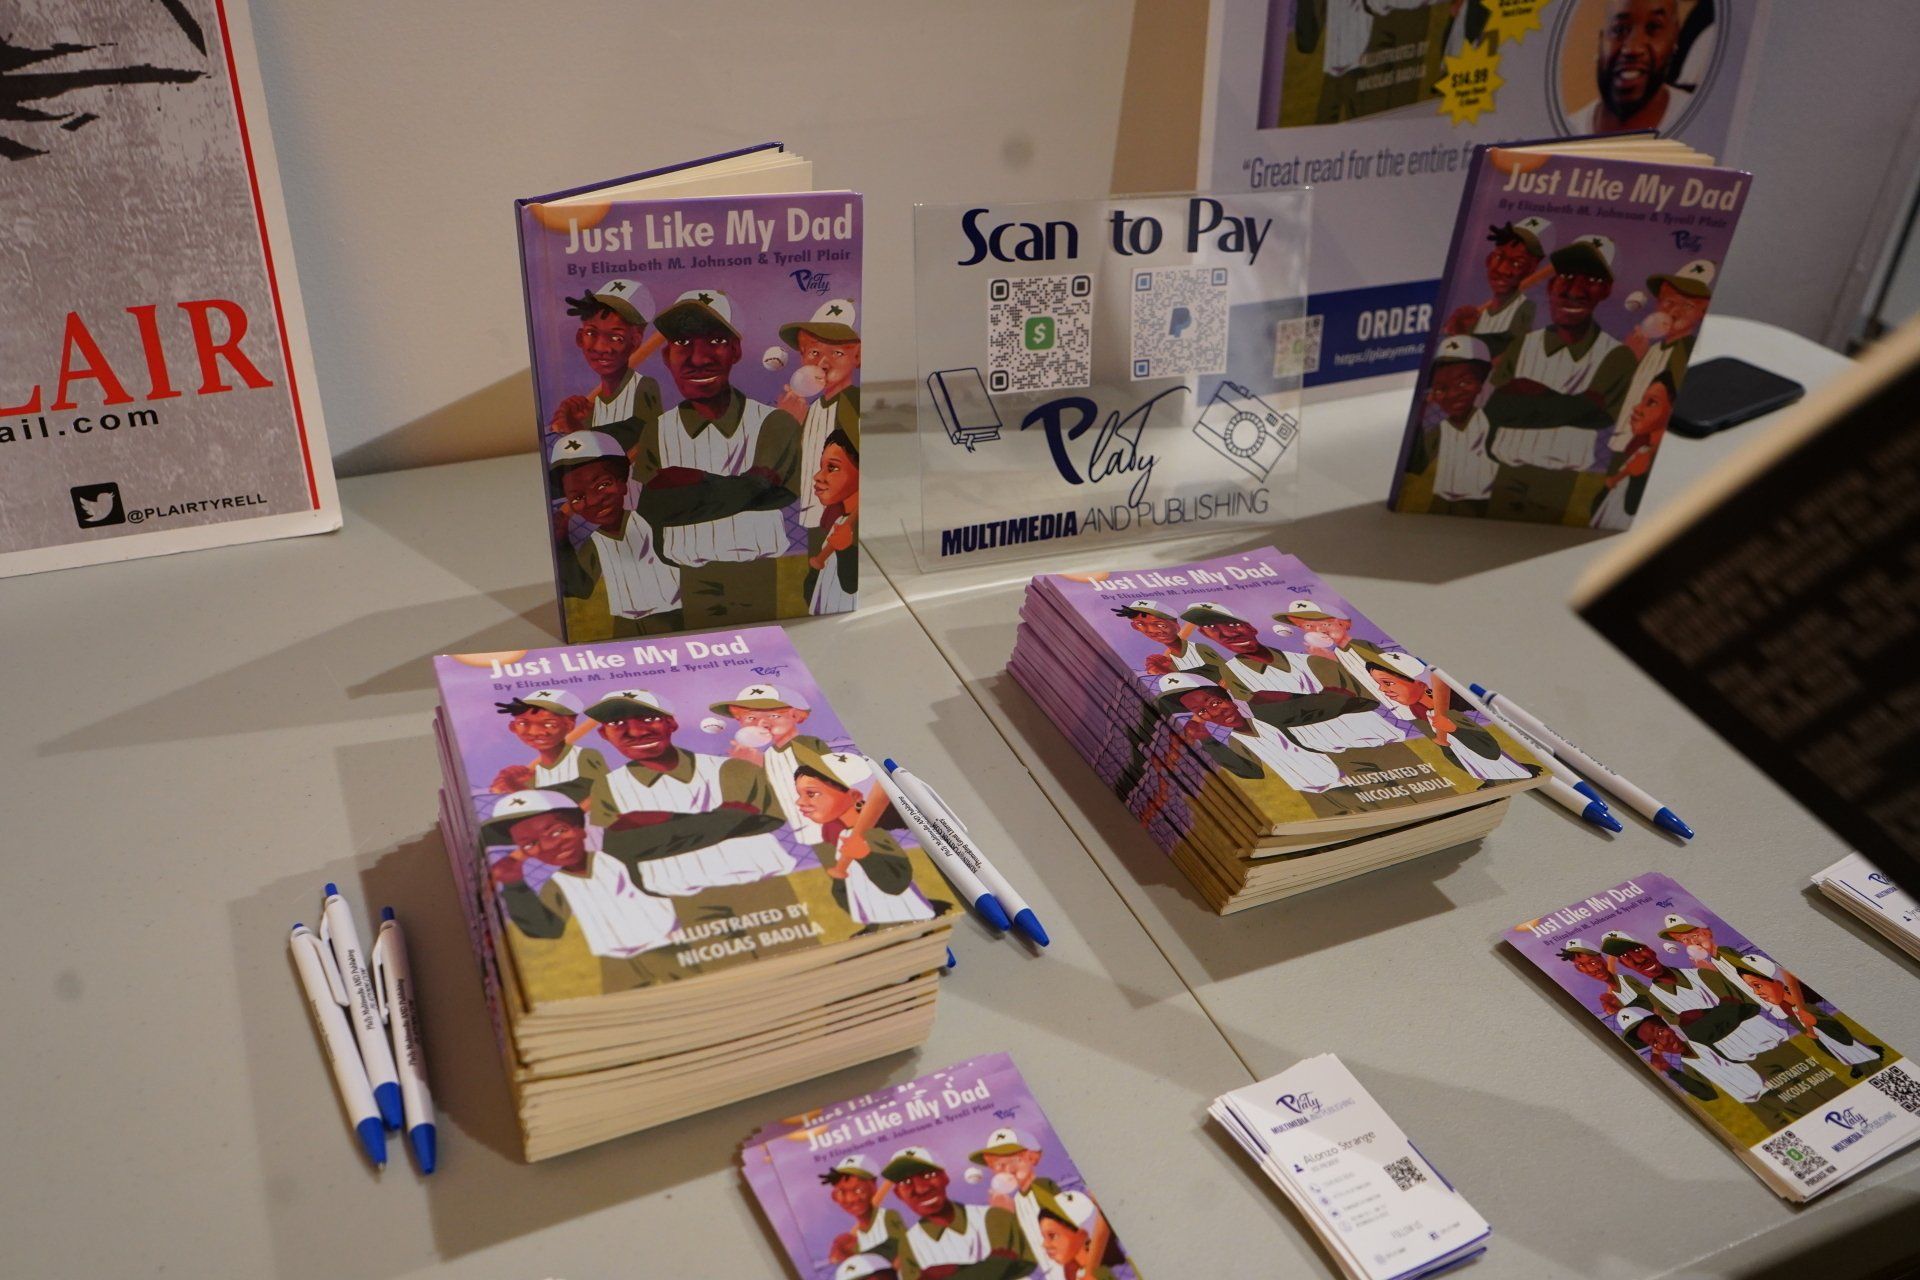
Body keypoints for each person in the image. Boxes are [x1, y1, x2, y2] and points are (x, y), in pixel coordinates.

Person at [635, 288, 803, 624]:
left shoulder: (773, 421)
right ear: (667, 355)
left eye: (715, 341)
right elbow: (650, 509)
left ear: (736, 351)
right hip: (687, 577)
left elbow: (778, 493)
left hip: (754, 572)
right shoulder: (659, 429)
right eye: (683, 344)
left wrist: (689, 487)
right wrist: (752, 485)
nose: (698, 358)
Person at [581, 687, 796, 897]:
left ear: (671, 724)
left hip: (764, 886)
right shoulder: (607, 786)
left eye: (648, 719)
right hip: (679, 900)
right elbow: (617, 847)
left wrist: (650, 828)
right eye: (616, 723)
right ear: (603, 733)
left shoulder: (731, 768)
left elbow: (767, 820)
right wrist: (727, 817)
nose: (636, 731)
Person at [1484, 234, 1637, 522]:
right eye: (1565, 276)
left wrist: (1529, 394)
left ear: (1605, 291)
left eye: (1590, 282)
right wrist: (1570, 406)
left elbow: (1596, 413)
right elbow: (1496, 408)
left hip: (1557, 477)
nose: (1575, 291)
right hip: (1504, 468)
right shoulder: (1525, 344)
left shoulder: (1616, 355)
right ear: (1551, 284)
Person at [481, 789, 682, 974]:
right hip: (615, 960)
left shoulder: (616, 855)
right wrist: (515, 885)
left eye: (558, 831)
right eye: (530, 844)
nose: (550, 845)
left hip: (669, 943)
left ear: (581, 829)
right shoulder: (557, 883)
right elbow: (548, 929)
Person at [548, 431, 684, 638]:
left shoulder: (651, 520)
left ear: (622, 482)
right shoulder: (596, 540)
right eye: (578, 497)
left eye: (603, 485)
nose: (593, 501)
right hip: (625, 624)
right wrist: (562, 541)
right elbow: (580, 588)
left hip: (673, 617)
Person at [791, 750, 941, 928]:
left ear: (854, 796)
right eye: (800, 794)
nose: (799, 802)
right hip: (876, 919)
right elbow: (849, 883)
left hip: (907, 917)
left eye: (811, 793)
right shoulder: (845, 835)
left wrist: (865, 855)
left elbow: (897, 882)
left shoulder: (873, 835)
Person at [1600, 930, 1792, 1062]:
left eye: (1637, 949)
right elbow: (1697, 1036)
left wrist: (1704, 1019)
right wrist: (1726, 1011)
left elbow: (1748, 1006)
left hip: (1782, 1045)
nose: (1638, 959)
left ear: (1650, 949)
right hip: (1743, 1062)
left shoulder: (1703, 974)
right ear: (1625, 966)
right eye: (1626, 958)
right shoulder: (1654, 1000)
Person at [1154, 671, 1351, 794]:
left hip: (1348, 778)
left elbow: (1309, 711)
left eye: (1215, 702)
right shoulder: (1235, 740)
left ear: (1228, 697)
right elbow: (1250, 772)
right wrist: (1207, 740)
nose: (1215, 713)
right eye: (1202, 712)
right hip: (1315, 796)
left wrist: (1337, 701)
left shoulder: (1263, 707)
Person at [1363, 651, 1535, 785]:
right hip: (1486, 774)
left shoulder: (1455, 714)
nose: (1383, 690)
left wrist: (1455, 730)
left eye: (1388, 682)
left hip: (1509, 772)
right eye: (1379, 684)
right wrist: (1444, 741)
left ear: (1418, 682)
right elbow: (1455, 756)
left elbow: (1491, 750)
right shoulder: (1423, 716)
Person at [707, 682, 834, 844]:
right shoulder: (770, 755)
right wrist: (757, 767)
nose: (762, 723)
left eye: (774, 715)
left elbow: (825, 783)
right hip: (806, 835)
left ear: (795, 715)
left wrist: (759, 764)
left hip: (835, 827)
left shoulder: (806, 744)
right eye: (751, 718)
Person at [882, 1146, 1034, 1280]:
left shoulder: (994, 1217)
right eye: (906, 1183)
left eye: (928, 1175)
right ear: (898, 1194)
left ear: (945, 1178)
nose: (921, 1188)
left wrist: (947, 1272)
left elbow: (1015, 1264)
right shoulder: (909, 1244)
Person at [547, 278, 662, 453]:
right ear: (580, 337)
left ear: (636, 342)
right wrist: (563, 427)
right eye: (591, 333)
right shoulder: (591, 406)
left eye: (616, 338)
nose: (601, 348)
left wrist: (577, 430)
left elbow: (626, 443)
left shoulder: (644, 388)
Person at [1730, 952, 1886, 1079]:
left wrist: (1808, 1015)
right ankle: (1857, 1061)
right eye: (1753, 988)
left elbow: (1837, 1031)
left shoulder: (1796, 995)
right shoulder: (1782, 1006)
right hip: (1798, 1014)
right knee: (1824, 1044)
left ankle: (1868, 1057)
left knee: (1838, 1039)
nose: (1757, 992)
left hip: (1808, 1013)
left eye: (1757, 986)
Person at [777, 298, 862, 531]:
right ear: (802, 357)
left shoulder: (852, 403)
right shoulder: (814, 408)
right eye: (814, 352)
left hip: (844, 521)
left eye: (837, 353)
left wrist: (851, 522)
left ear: (857, 356)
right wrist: (791, 424)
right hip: (817, 518)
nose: (823, 363)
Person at [1567, 0, 1694, 134]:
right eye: (1619, 29)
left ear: (1674, 37)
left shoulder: (1701, 121)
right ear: (1601, 40)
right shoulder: (1564, 136)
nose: (1633, 49)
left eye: (1653, 27)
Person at [1407, 335, 1499, 516]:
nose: (1453, 394)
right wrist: (1418, 416)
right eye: (1441, 389)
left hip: (1484, 506)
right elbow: (1417, 464)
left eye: (1464, 383)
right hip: (1441, 505)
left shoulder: (1490, 421)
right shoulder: (1439, 430)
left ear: (1482, 383)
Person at [1441, 218, 1550, 363]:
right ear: (1489, 259)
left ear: (1532, 269)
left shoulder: (1527, 312)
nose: (1502, 269)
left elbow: (1498, 368)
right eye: (1499, 257)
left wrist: (1463, 338)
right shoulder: (1477, 316)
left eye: (1517, 263)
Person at [1617, 1006, 1759, 1103]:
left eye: (1660, 1031)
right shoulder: (1686, 1064)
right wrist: (1668, 1069)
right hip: (1756, 1104)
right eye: (1654, 1042)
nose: (1663, 1041)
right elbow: (1708, 1095)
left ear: (1667, 1024)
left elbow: (1750, 1009)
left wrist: (1708, 1013)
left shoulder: (1698, 1031)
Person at [487, 688, 608, 803]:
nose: (534, 732)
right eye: (523, 723)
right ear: (513, 727)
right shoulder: (531, 775)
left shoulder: (585, 757)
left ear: (569, 726)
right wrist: (507, 787)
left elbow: (578, 807)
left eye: (549, 724)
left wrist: (516, 788)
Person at [1590, 373, 1674, 530]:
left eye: (1651, 403)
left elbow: (1631, 510)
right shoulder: (1641, 452)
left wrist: (1637, 478)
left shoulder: (1664, 462)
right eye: (1642, 400)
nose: (1637, 408)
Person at [807, 427, 859, 615]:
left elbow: (851, 586)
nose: (818, 476)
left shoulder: (856, 527)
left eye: (833, 468)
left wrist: (845, 551)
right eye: (822, 466)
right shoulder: (838, 521)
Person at [822, 1153, 907, 1267]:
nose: (851, 1199)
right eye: (842, 1192)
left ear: (874, 1188)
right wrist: (839, 1259)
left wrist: (854, 1252)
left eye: (858, 1190)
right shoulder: (849, 1238)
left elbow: (903, 1255)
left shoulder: (888, 1217)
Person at [1030, 1186, 1123, 1280]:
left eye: (1052, 1236)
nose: (1045, 1244)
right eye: (1044, 1236)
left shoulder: (1111, 1273)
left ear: (1082, 1235)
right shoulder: (1075, 1272)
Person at [1557, 938, 1636, 1016]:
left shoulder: (1630, 977)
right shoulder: (1600, 998)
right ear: (1578, 969)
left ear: (1601, 959)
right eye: (1581, 965)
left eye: (1593, 962)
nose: (1591, 970)